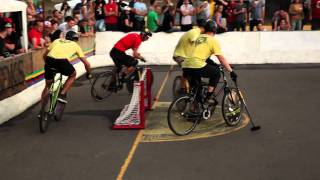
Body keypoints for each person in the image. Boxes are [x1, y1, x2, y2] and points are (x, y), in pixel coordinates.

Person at [181, 20, 237, 104]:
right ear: (214, 30)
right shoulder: (212, 40)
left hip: (185, 65)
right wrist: (231, 71)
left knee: (197, 89)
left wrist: (215, 65)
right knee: (216, 73)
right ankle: (209, 97)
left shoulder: (198, 38)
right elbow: (221, 58)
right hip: (196, 65)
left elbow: (204, 58)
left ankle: (196, 109)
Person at [40, 31, 91, 107]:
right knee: (73, 75)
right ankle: (62, 94)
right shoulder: (76, 45)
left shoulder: (57, 40)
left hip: (49, 60)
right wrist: (89, 73)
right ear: (75, 39)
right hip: (62, 61)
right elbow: (87, 64)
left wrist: (48, 64)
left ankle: (42, 111)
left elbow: (44, 55)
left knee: (47, 86)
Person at [172, 21, 206, 91]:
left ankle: (188, 86)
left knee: (191, 70)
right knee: (191, 70)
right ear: (203, 28)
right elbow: (196, 43)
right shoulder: (195, 32)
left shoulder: (197, 32)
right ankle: (183, 89)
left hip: (184, 56)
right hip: (180, 56)